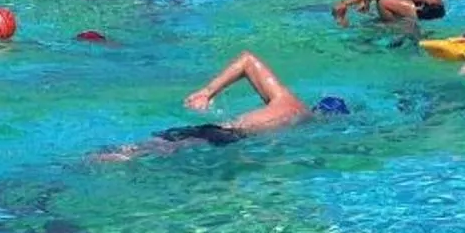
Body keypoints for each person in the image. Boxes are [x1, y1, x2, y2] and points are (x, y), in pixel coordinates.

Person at [95, 52, 345, 159]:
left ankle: (103, 156)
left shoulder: (284, 98)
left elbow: (248, 59)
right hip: (227, 137)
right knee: (149, 153)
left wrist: (207, 92)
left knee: (146, 147)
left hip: (218, 129)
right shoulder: (306, 122)